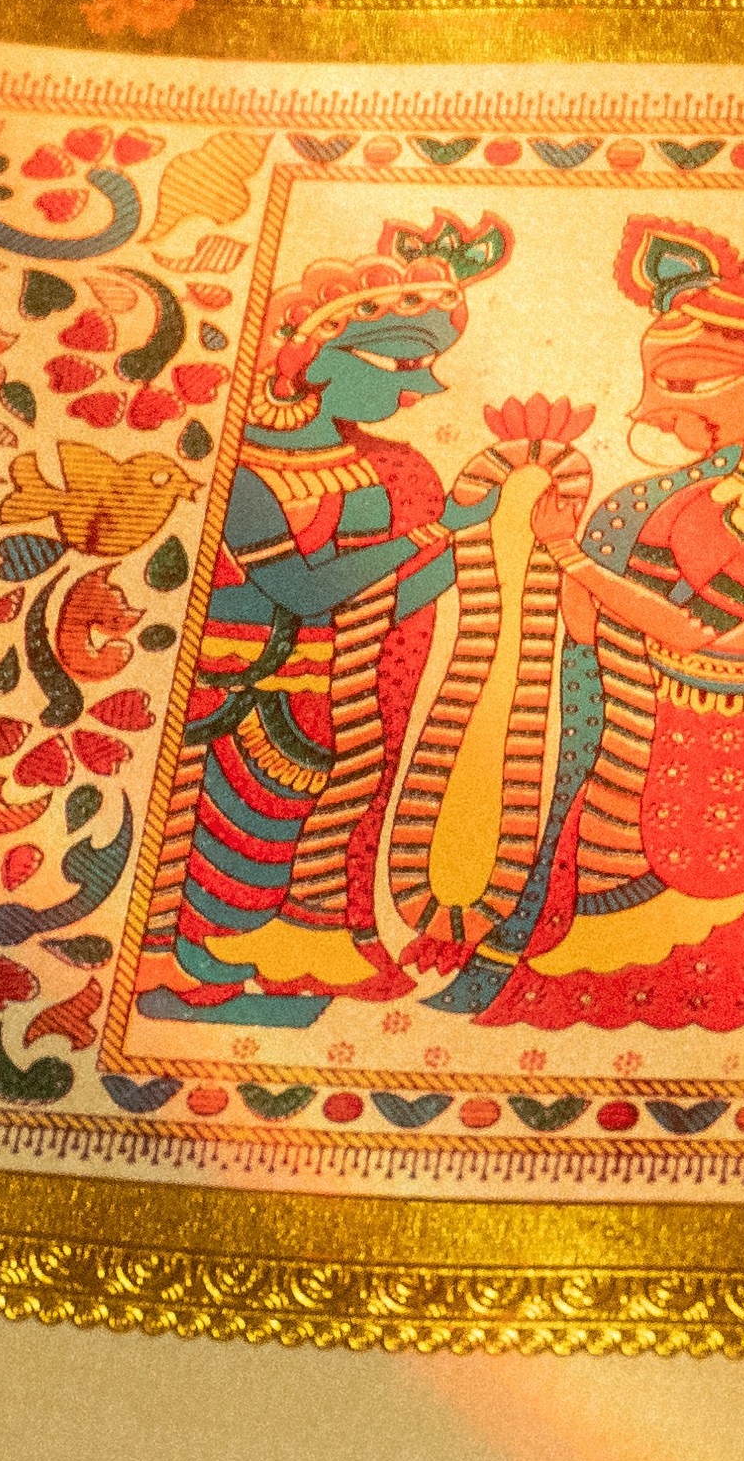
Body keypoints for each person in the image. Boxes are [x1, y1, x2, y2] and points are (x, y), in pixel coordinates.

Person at [411, 216, 744, 1033]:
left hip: (743, 756)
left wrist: (569, 557)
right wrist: (530, 549)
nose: (650, 411)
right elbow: (594, 624)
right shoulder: (672, 501)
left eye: (686, 382)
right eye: (654, 385)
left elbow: (687, 633)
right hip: (634, 737)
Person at [132, 212, 517, 1024]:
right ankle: (172, 965)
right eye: (402, 363)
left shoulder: (365, 466)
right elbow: (304, 593)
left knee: (264, 845)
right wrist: (437, 534)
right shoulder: (245, 466)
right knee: (191, 831)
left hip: (310, 697)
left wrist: (491, 549)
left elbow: (375, 601)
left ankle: (220, 956)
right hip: (222, 686)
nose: (424, 388)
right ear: (308, 358)